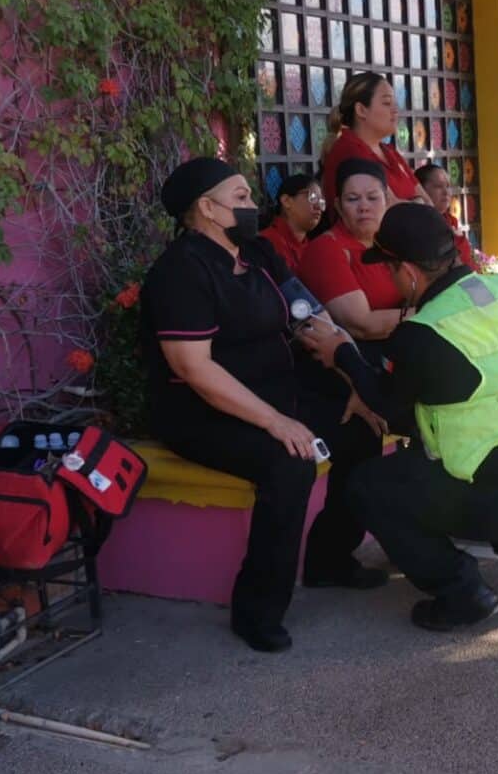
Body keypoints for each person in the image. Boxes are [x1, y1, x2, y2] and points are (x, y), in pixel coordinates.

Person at [139, 158, 387, 655]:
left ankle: (328, 560)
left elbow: (310, 317)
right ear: (207, 209)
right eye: (240, 198)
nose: (254, 205)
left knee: (359, 432)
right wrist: (277, 423)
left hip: (277, 393)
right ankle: (257, 610)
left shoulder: (257, 254)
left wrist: (352, 379)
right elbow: (195, 370)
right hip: (202, 411)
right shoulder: (180, 272)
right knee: (289, 464)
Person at [297, 204, 498, 631]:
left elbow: (392, 415)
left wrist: (343, 355)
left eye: (391, 272)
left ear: (409, 272)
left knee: (370, 485)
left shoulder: (425, 330)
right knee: (497, 466)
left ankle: (462, 591)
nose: (392, 283)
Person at [299, 159, 406, 341]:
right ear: (339, 206)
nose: (364, 207)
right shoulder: (325, 249)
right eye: (353, 199)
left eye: (372, 198)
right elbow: (361, 326)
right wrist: (431, 313)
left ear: (387, 201)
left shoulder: (395, 242)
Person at [319, 71, 421, 210]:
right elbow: (391, 210)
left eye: (394, 103)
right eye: (386, 103)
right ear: (361, 110)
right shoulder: (350, 151)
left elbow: (427, 202)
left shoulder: (389, 152)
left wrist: (419, 205)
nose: (395, 110)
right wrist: (419, 204)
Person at [414, 162, 480, 271]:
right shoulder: (418, 226)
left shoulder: (450, 220)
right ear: (421, 191)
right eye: (438, 186)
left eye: (448, 186)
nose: (446, 192)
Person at [260, 173, 325, 273]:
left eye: (321, 202)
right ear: (286, 201)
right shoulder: (265, 244)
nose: (319, 207)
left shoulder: (313, 249)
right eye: (312, 197)